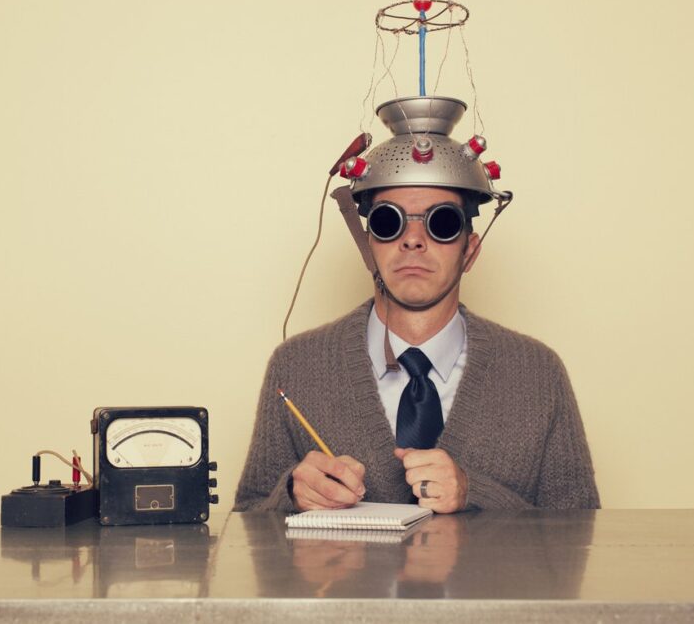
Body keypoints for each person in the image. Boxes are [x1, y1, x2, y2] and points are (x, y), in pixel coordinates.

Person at [233, 97, 600, 514]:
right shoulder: (297, 366)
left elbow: (580, 544)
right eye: (390, 223)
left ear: (470, 251)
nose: (413, 240)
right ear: (368, 243)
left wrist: (474, 494)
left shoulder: (537, 373)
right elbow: (247, 533)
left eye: (441, 223)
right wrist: (291, 497)